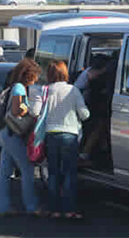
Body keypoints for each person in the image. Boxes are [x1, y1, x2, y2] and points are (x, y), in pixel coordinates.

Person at [33, 60, 89, 219]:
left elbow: (35, 112)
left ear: (49, 74)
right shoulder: (73, 90)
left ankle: (54, 209)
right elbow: (84, 114)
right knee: (69, 173)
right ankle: (69, 209)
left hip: (50, 135)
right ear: (65, 73)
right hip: (69, 135)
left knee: (53, 173)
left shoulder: (44, 90)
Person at [0, 58, 41, 217]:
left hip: (5, 132)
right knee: (27, 169)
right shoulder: (20, 88)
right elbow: (16, 110)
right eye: (35, 76)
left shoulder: (12, 86)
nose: (36, 79)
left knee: (5, 171)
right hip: (13, 133)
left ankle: (4, 206)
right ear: (28, 75)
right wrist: (28, 110)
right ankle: (31, 206)